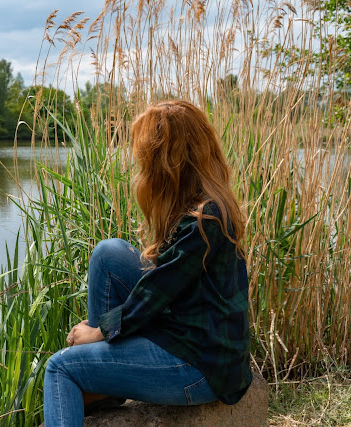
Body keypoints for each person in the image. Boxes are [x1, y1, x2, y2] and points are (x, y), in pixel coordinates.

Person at [42, 100, 252, 426]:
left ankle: (92, 375)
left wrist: (99, 332)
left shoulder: (204, 220)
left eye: (143, 159)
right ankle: (106, 386)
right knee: (109, 253)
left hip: (200, 366)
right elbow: (164, 288)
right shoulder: (205, 205)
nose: (138, 166)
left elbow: (155, 294)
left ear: (165, 163)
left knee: (61, 366)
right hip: (194, 336)